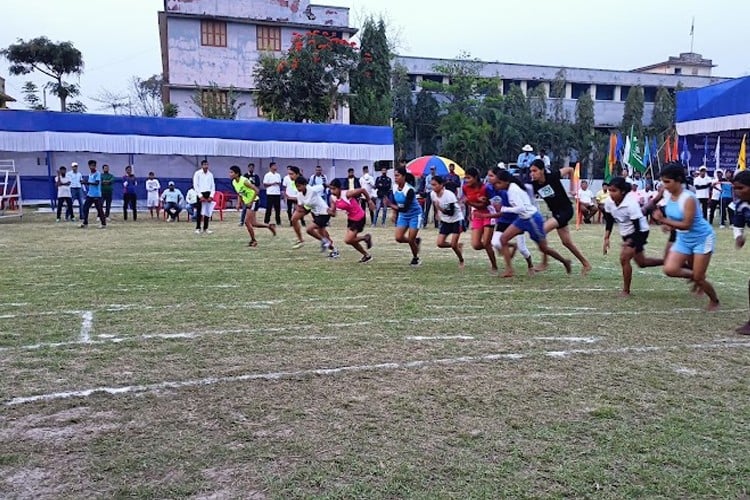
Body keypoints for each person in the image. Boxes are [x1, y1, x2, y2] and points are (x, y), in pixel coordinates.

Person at [652, 163, 719, 310]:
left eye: (668, 182)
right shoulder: (669, 196)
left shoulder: (688, 198)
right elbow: (676, 220)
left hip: (702, 238)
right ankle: (695, 276)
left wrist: (663, 220)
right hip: (684, 239)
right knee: (669, 269)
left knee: (699, 278)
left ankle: (714, 300)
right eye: (663, 181)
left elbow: (687, 224)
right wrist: (667, 225)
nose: (665, 185)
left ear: (678, 180)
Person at [494, 169, 572, 277]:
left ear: (506, 182)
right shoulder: (511, 188)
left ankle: (565, 261)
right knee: (503, 239)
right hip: (523, 219)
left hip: (532, 220)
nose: (496, 185)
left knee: (544, 248)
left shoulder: (513, 190)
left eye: (498, 183)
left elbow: (520, 208)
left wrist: (503, 209)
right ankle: (509, 270)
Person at [602, 177, 664, 296]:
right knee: (642, 262)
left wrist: (630, 242)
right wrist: (606, 238)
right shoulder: (609, 202)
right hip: (626, 233)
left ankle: (626, 291)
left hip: (640, 231)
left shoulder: (631, 204)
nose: (611, 193)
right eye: (609, 190)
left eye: (614, 191)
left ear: (623, 191)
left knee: (624, 258)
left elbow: (637, 227)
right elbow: (609, 220)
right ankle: (668, 261)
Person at [530, 159, 592, 274]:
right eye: (531, 171)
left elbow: (570, 170)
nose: (532, 173)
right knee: (566, 242)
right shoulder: (534, 185)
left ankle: (545, 262)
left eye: (535, 171)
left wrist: (573, 188)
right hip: (556, 213)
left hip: (566, 210)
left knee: (541, 231)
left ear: (542, 170)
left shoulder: (553, 176)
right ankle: (586, 264)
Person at [485, 167, 534, 275]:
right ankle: (509, 267)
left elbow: (514, 208)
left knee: (522, 249)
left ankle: (530, 264)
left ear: (499, 178)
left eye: (491, 176)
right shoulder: (489, 188)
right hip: (503, 220)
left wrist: (488, 215)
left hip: (516, 220)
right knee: (495, 243)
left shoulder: (509, 191)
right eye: (488, 175)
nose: (489, 178)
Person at [462, 167, 498, 274]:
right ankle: (496, 245)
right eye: (465, 178)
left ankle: (494, 266)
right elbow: (468, 201)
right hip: (477, 215)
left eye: (469, 178)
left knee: (486, 242)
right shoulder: (465, 188)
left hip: (488, 214)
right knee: (476, 245)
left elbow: (485, 204)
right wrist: (469, 212)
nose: (466, 180)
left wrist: (469, 203)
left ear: (475, 178)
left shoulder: (485, 188)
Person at [328, 178, 374, 263]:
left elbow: (363, 190)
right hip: (351, 219)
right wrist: (329, 211)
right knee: (351, 241)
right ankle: (366, 255)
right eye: (331, 189)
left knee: (348, 240)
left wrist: (369, 201)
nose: (332, 191)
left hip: (359, 217)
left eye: (334, 189)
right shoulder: (332, 198)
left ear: (339, 188)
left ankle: (366, 238)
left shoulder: (346, 194)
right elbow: (333, 213)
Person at [386, 167, 424, 266]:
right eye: (395, 176)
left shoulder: (409, 190)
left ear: (404, 176)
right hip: (403, 216)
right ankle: (416, 241)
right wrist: (394, 213)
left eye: (397, 176)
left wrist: (390, 205)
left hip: (415, 215)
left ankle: (416, 258)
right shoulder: (394, 187)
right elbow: (395, 201)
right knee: (398, 238)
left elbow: (405, 208)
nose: (395, 178)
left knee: (410, 239)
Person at [229, 165, 276, 246]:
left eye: (231, 172)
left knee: (247, 222)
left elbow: (256, 190)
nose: (229, 174)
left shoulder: (244, 181)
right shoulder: (234, 182)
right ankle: (269, 226)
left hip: (254, 201)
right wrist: (238, 203)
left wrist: (251, 201)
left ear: (237, 174)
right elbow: (239, 193)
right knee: (253, 223)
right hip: (247, 203)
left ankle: (253, 241)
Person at [294, 176, 338, 258]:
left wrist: (335, 193)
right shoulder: (299, 195)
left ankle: (324, 241)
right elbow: (301, 207)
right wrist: (299, 209)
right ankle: (334, 250)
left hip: (324, 212)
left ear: (305, 185)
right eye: (296, 186)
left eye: (299, 186)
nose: (298, 188)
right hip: (315, 213)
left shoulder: (312, 189)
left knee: (309, 229)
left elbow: (325, 185)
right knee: (322, 233)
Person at [430, 175, 465, 268]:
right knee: (440, 243)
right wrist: (437, 212)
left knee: (453, 245)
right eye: (432, 185)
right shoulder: (432, 194)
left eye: (435, 185)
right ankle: (458, 245)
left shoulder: (449, 195)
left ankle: (461, 260)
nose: (433, 187)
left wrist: (439, 208)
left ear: (441, 185)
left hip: (456, 220)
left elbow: (451, 212)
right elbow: (434, 203)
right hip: (445, 221)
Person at [731, 170, 750, 334]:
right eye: (735, 188)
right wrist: (738, 237)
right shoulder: (741, 205)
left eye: (741, 188)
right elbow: (737, 225)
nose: (737, 192)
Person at [80, 160, 106, 229]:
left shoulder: (97, 173)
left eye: (94, 165)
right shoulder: (90, 174)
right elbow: (90, 183)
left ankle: (103, 224)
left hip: (97, 195)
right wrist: (85, 182)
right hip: (90, 194)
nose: (92, 167)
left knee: (99, 210)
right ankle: (85, 223)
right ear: (89, 166)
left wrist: (87, 182)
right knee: (85, 208)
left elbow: (97, 183)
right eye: (91, 165)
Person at [193, 159, 215, 234]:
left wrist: (211, 196)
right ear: (202, 165)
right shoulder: (197, 173)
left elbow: (213, 186)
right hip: (200, 194)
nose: (206, 166)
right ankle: (198, 228)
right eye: (204, 164)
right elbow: (196, 185)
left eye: (207, 164)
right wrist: (200, 196)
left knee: (207, 212)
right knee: (199, 212)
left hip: (208, 193)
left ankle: (206, 228)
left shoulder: (210, 174)